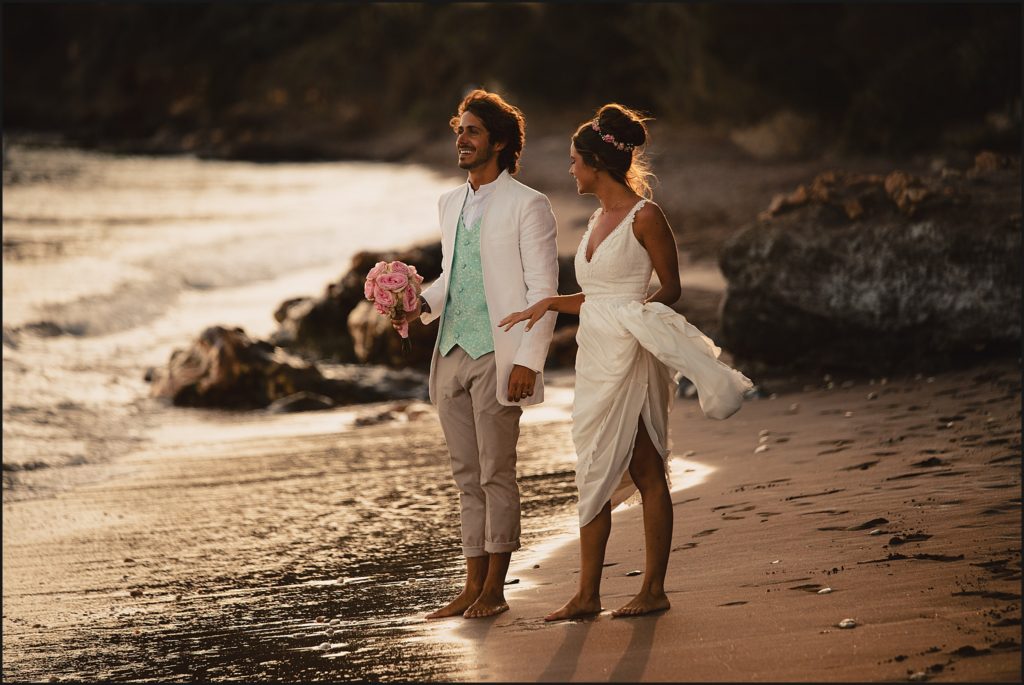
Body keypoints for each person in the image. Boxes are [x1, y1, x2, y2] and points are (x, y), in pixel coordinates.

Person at [499, 104, 752, 620]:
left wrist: (636, 322)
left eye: (574, 161)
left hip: (631, 354)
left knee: (644, 465)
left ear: (595, 163)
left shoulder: (646, 217)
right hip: (596, 356)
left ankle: (652, 589)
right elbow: (597, 295)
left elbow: (671, 288)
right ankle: (587, 594)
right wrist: (551, 302)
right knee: (593, 465)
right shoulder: (595, 218)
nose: (569, 170)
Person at [394, 89, 559, 619]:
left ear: (500, 142)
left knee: (496, 472)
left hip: (499, 352)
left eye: (471, 131)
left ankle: (496, 589)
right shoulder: (449, 202)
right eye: (458, 130)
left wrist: (529, 362)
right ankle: (470, 585)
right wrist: (417, 303)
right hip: (450, 353)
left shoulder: (529, 204)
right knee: (465, 473)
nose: (460, 140)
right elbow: (453, 276)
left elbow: (543, 291)